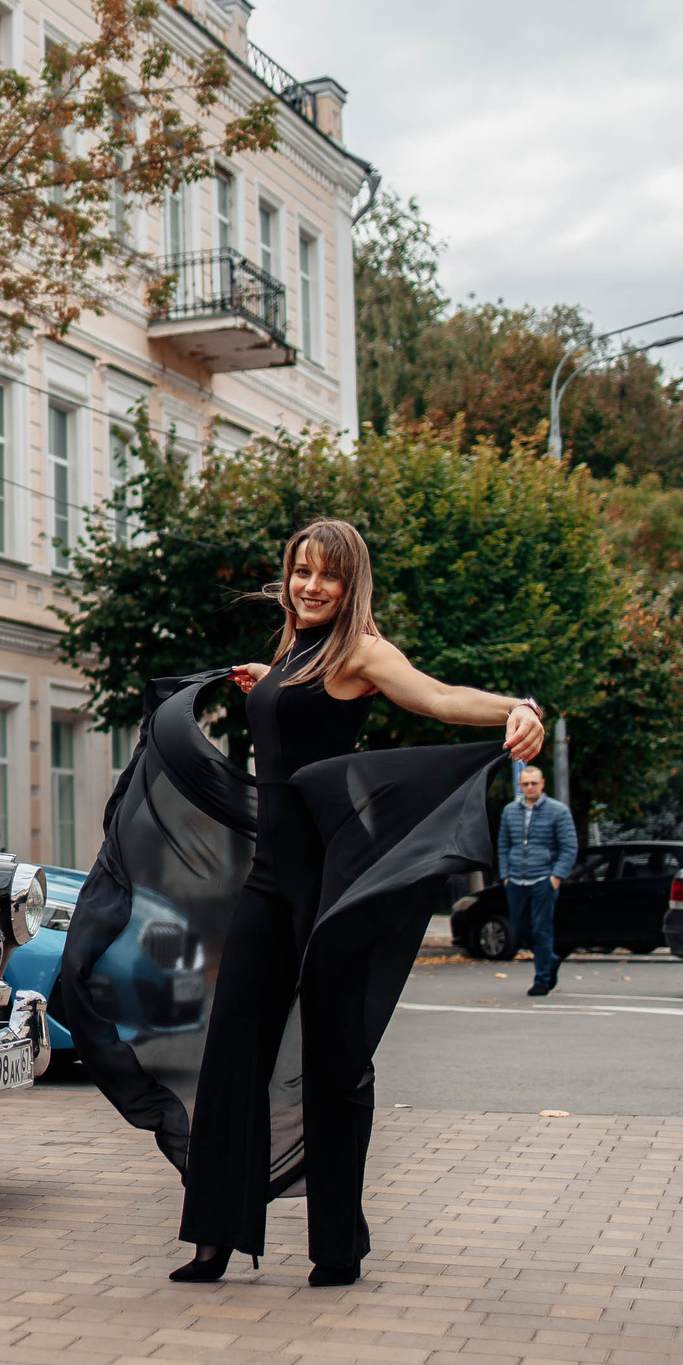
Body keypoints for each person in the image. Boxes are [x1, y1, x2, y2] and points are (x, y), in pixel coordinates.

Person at [170, 518, 545, 1289]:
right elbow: (290, 718)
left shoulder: (363, 650)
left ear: (351, 584)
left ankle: (336, 1243)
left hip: (331, 883)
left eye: (327, 576)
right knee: (233, 1047)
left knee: (335, 1061)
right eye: (300, 571)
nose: (310, 586)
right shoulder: (292, 651)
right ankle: (214, 1235)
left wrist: (518, 705)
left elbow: (439, 698)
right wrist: (262, 681)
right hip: (269, 879)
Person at [497, 763, 577, 996]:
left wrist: (555, 877)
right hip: (515, 881)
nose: (529, 788)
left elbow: (569, 847)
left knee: (542, 930)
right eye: (525, 784)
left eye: (534, 783)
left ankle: (541, 980)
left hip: (543, 879)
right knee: (520, 928)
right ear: (519, 785)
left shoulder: (558, 811)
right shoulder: (510, 811)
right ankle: (551, 959)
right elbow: (503, 845)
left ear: (543, 784)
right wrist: (505, 876)